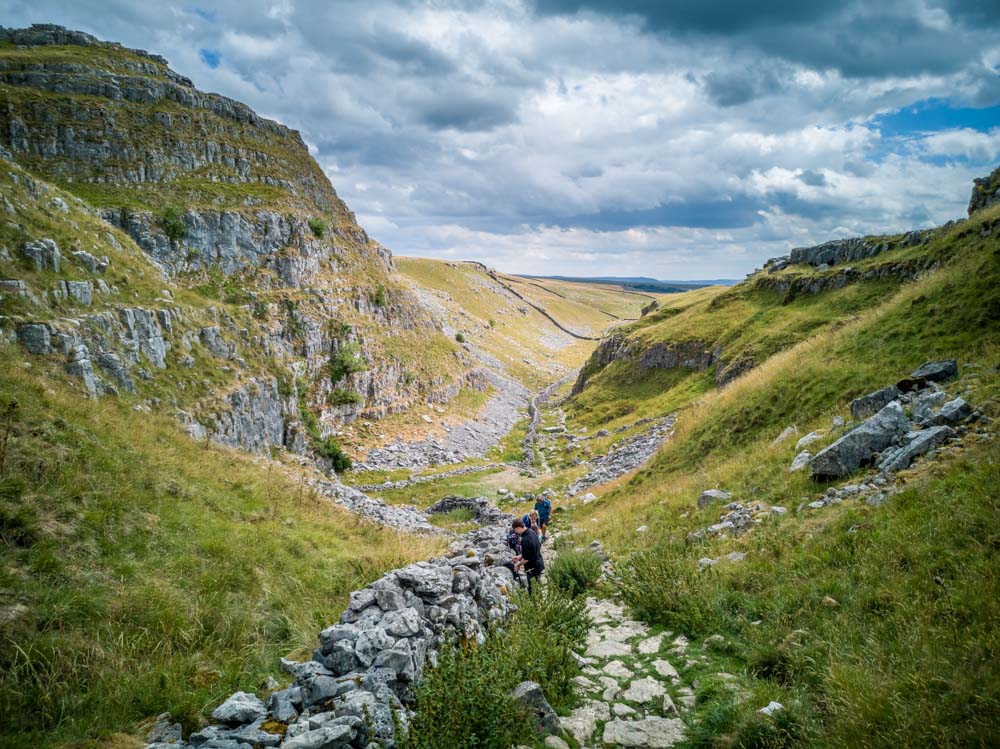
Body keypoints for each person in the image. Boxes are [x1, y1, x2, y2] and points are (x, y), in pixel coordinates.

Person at [511, 517, 544, 594]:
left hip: (533, 568)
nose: (515, 532)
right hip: (539, 563)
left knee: (532, 589)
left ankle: (535, 604)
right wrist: (519, 557)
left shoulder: (525, 539)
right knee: (537, 586)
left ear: (518, 528)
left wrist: (518, 565)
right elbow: (530, 551)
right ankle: (540, 602)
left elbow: (527, 558)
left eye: (515, 530)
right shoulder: (531, 531)